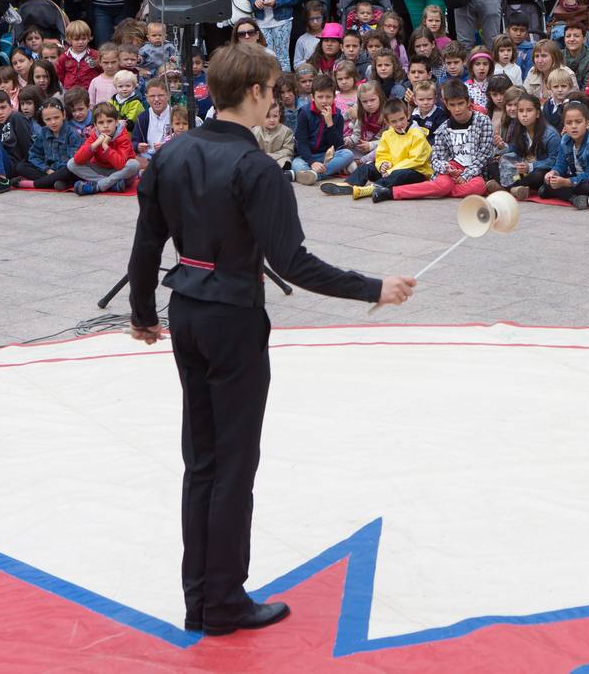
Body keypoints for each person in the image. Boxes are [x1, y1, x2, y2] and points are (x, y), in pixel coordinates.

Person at [127, 42, 412, 636]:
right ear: (254, 91)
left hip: (186, 310)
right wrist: (372, 288)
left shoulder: (170, 154)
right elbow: (295, 262)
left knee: (200, 460)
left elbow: (147, 244)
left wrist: (141, 313)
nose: (277, 99)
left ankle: (199, 596)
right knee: (233, 463)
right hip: (232, 316)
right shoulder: (257, 167)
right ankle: (224, 601)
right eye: (274, 90)